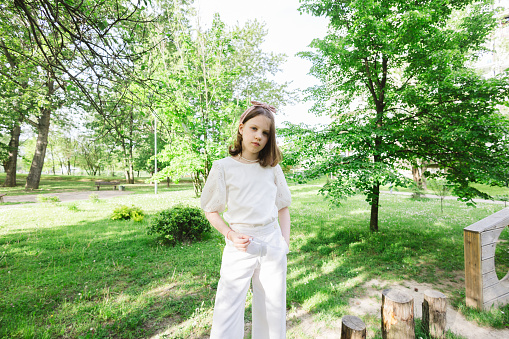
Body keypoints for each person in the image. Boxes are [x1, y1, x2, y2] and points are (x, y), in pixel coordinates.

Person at [201, 101, 292, 339]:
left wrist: (284, 243)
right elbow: (211, 210)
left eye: (265, 133)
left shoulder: (272, 167)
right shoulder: (223, 167)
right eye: (254, 128)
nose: (258, 136)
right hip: (240, 244)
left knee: (272, 309)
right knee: (227, 306)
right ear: (241, 128)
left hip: (272, 244)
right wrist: (230, 235)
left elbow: (283, 207)